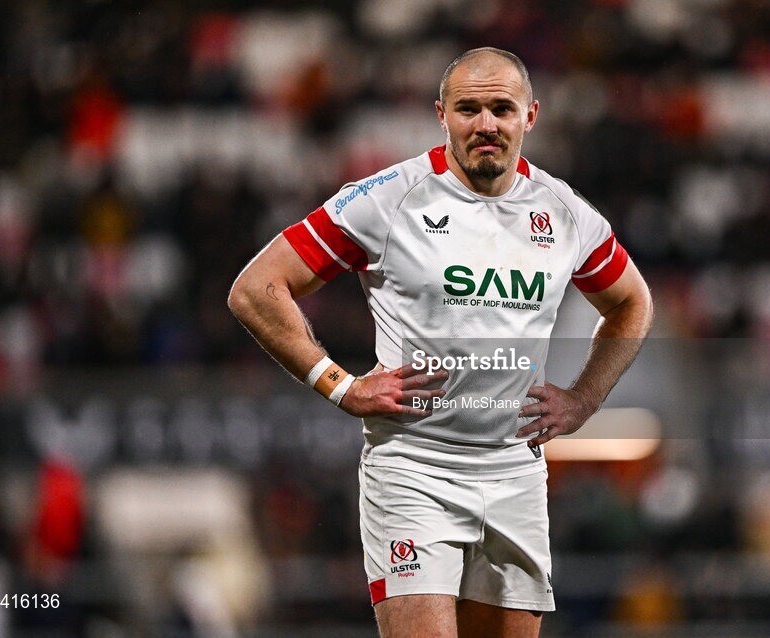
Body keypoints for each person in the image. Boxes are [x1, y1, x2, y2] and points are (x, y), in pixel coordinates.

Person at [228, 47, 653, 638]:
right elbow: (257, 288)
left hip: (515, 471)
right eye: (468, 109)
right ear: (441, 115)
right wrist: (339, 384)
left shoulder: (564, 213)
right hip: (414, 470)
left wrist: (584, 399)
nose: (485, 125)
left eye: (501, 109)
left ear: (531, 115)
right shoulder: (387, 199)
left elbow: (633, 301)